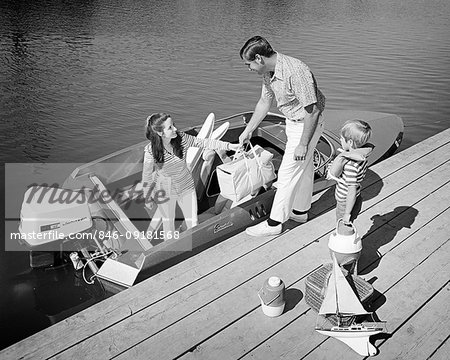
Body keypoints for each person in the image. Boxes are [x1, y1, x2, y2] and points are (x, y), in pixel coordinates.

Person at [238, 36, 326, 236]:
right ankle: (300, 212)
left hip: (306, 125)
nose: (248, 68)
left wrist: (303, 144)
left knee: (286, 174)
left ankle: (274, 223)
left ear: (259, 58)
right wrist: (248, 130)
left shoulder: (296, 71)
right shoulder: (270, 72)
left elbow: (312, 112)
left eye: (248, 64)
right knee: (303, 170)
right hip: (293, 122)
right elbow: (264, 101)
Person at [141, 113, 240, 238]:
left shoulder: (182, 139)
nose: (175, 129)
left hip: (186, 187)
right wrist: (148, 197)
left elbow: (204, 143)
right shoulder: (150, 151)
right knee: (168, 228)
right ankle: (164, 249)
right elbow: (147, 176)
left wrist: (229, 146)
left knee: (193, 224)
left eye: (174, 125)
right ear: (160, 133)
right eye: (170, 127)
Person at [327, 119, 373, 225]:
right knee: (348, 222)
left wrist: (347, 213)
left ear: (350, 142)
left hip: (345, 201)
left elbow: (351, 190)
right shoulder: (362, 157)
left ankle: (343, 238)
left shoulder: (350, 165)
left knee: (343, 224)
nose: (340, 139)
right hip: (357, 196)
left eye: (342, 138)